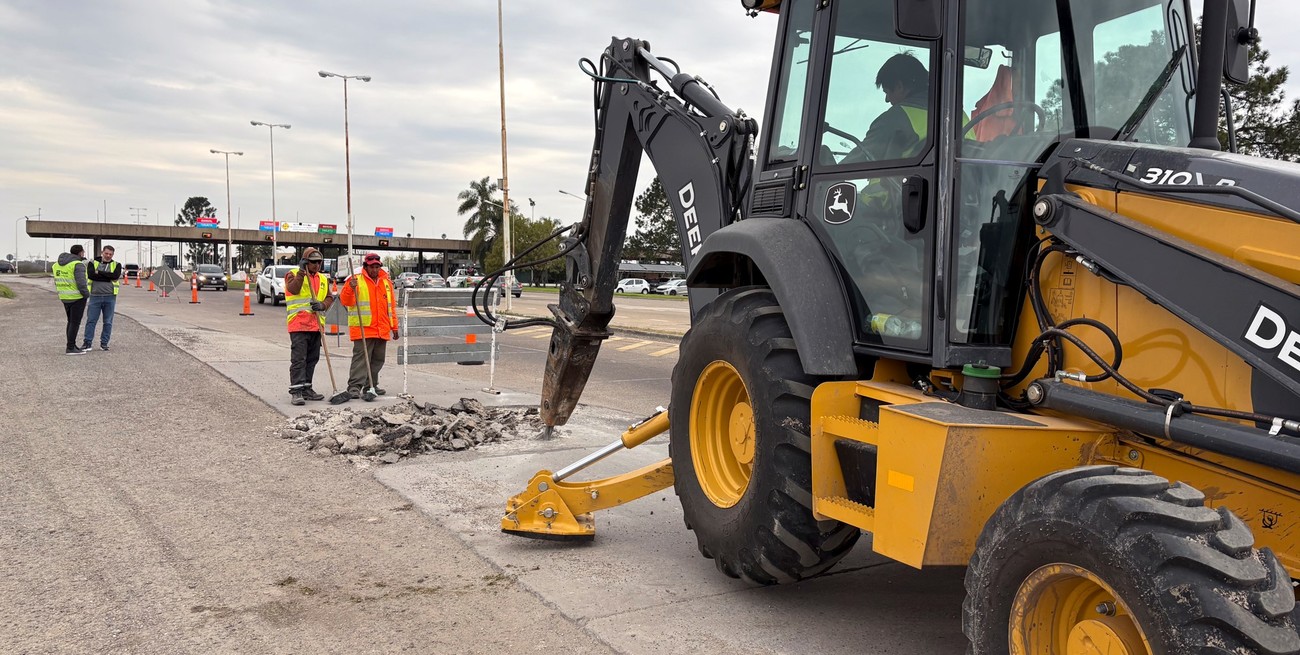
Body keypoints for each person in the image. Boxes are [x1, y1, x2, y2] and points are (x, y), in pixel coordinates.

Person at [339, 253, 398, 402]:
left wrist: (394, 327)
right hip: (363, 328)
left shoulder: (386, 282)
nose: (374, 269)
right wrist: (350, 288)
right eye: (372, 267)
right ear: (366, 266)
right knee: (361, 359)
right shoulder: (355, 280)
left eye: (377, 266)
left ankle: (371, 385)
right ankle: (354, 387)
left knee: (377, 360)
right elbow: (345, 301)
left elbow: (391, 307)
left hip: (381, 328)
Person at [284, 247, 336, 406]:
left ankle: (307, 388)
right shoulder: (293, 274)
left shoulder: (322, 279)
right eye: (313, 262)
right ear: (305, 262)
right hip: (299, 324)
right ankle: (296, 391)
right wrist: (301, 272)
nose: (317, 265)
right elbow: (293, 289)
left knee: (312, 359)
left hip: (316, 326)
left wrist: (322, 305)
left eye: (319, 262)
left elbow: (329, 298)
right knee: (299, 359)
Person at [860, 52, 930, 162]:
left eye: (887, 92)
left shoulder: (895, 119)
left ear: (899, 86)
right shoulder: (953, 114)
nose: (887, 99)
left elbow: (859, 158)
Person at [81, 244, 122, 351]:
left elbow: (115, 276)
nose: (108, 256)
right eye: (106, 253)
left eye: (110, 254)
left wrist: (99, 272)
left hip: (110, 297)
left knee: (108, 322)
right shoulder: (92, 263)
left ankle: (104, 343)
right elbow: (91, 275)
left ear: (113, 254)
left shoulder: (117, 265)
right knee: (91, 321)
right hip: (95, 296)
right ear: (102, 252)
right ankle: (87, 343)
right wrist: (108, 276)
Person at [53, 245, 91, 355]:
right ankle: (70, 348)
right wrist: (86, 295)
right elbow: (81, 283)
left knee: (70, 322)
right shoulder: (77, 264)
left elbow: (56, 281)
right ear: (80, 253)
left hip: (64, 296)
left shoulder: (56, 265)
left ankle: (72, 345)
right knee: (75, 323)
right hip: (77, 297)